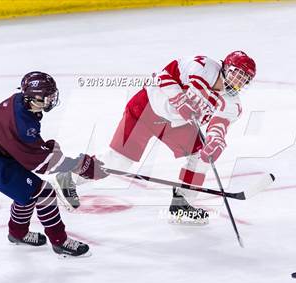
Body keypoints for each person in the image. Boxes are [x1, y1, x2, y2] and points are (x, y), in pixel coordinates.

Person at [59, 51, 256, 224]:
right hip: (146, 109)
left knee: (199, 155)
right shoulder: (202, 65)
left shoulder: (233, 105)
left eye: (244, 79)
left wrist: (215, 142)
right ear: (225, 66)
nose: (238, 81)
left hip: (175, 125)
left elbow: (218, 127)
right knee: (118, 162)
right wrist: (179, 100)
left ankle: (182, 204)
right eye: (236, 74)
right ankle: (70, 176)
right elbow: (164, 76)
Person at [0, 71, 107, 257]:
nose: (51, 99)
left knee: (25, 190)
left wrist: (51, 153)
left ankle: (18, 233)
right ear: (33, 97)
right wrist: (81, 165)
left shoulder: (23, 103)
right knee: (43, 191)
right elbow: (41, 164)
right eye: (47, 96)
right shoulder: (22, 123)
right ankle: (60, 242)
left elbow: (27, 146)